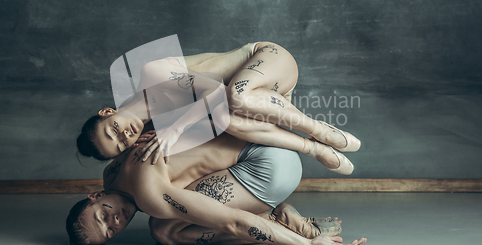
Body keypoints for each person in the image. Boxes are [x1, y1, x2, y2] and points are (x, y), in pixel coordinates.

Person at [67, 125, 367, 245]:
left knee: (165, 232)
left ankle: (279, 221)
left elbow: (231, 221)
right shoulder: (112, 170)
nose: (115, 222)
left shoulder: (149, 194)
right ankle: (273, 214)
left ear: (94, 196)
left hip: (268, 163)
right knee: (167, 217)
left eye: (101, 217)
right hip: (265, 143)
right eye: (109, 232)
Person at [77, 42, 361, 174]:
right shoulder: (155, 132)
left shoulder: (153, 75)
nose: (124, 134)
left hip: (268, 60)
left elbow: (216, 90)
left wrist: (176, 128)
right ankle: (315, 149)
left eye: (112, 129)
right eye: (120, 145)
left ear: (107, 112)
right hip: (266, 101)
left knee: (231, 99)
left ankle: (320, 131)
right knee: (226, 120)